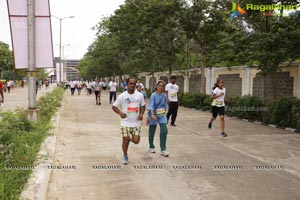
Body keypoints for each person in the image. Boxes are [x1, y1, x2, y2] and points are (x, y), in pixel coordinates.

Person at [112, 78, 145, 165]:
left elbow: (143, 106)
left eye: (134, 83)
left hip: (136, 122)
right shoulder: (122, 96)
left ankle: (130, 139)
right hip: (125, 122)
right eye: (130, 83)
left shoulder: (140, 95)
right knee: (125, 140)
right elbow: (114, 106)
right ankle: (125, 155)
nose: (132, 85)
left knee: (136, 141)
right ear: (127, 85)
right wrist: (120, 113)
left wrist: (141, 114)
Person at [147, 80, 169, 157]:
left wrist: (165, 113)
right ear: (156, 86)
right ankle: (151, 146)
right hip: (153, 114)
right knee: (152, 131)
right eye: (159, 85)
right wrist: (152, 115)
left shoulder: (164, 96)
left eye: (162, 86)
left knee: (164, 130)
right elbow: (151, 106)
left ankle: (163, 149)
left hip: (162, 114)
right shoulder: (153, 95)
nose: (161, 87)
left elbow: (165, 105)